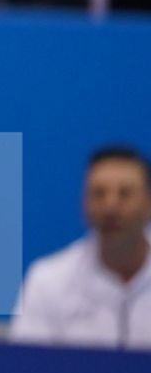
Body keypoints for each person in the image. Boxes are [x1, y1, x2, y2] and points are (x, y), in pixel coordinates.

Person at [12, 146, 151, 348]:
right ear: (84, 203)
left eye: (125, 194)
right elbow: (27, 363)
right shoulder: (48, 281)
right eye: (99, 194)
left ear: (148, 203)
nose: (110, 206)